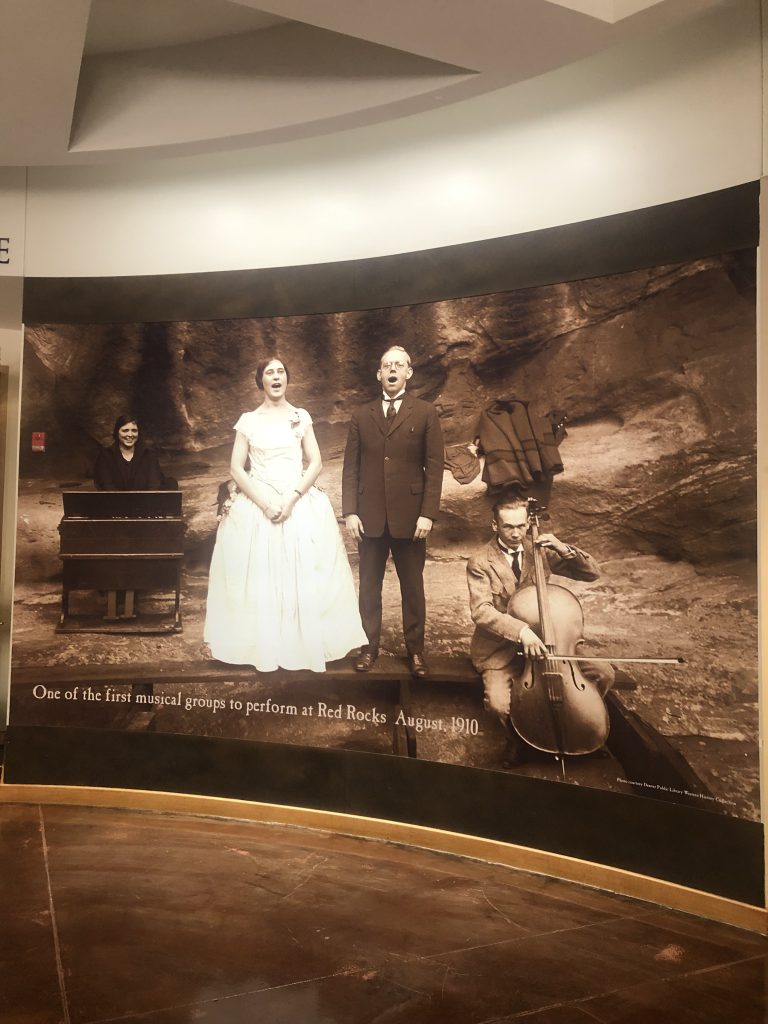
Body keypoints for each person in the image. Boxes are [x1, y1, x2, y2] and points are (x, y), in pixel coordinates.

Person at [204, 357, 367, 672]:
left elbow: (316, 462)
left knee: (304, 572)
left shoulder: (300, 416)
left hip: (296, 500)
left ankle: (303, 645)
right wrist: (264, 503)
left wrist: (293, 498)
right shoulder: (248, 421)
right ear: (260, 381)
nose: (276, 377)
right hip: (260, 501)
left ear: (287, 380)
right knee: (261, 575)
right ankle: (263, 647)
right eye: (269, 373)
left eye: (280, 372)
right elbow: (236, 467)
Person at [467, 497, 614, 765]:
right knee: (498, 704)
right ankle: (519, 742)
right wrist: (522, 631)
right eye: (508, 526)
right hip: (503, 652)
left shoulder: (540, 550)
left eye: (521, 526)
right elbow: (482, 611)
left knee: (604, 673)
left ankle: (578, 729)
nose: (515, 533)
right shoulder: (479, 561)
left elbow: (593, 573)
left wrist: (563, 548)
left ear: (528, 524)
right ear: (494, 525)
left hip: (550, 645)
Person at [342, 346, 444, 677]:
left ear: (409, 373)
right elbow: (350, 468)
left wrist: (428, 513)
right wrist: (350, 512)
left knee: (412, 587)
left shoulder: (426, 412)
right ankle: (368, 647)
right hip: (369, 517)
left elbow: (435, 466)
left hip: (412, 518)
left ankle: (416, 651)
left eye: (399, 365)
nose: (392, 370)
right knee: (368, 586)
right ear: (378, 374)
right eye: (386, 365)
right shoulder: (361, 415)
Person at [94, 414, 176, 491]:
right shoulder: (105, 456)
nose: (130, 434)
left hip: (146, 502)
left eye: (134, 430)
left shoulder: (149, 454)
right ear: (117, 432)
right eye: (125, 430)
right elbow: (108, 488)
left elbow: (154, 487)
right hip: (116, 503)